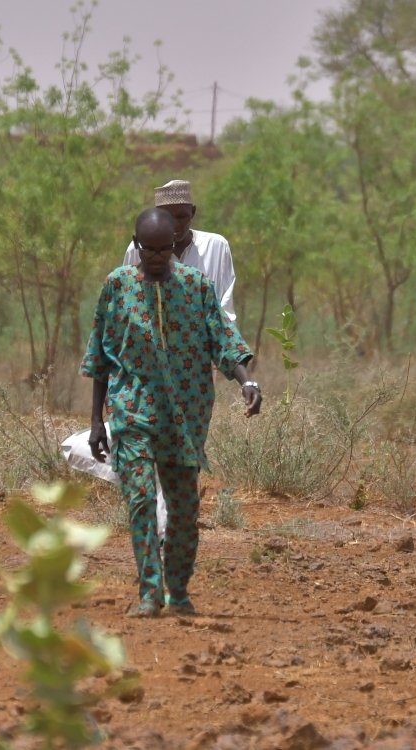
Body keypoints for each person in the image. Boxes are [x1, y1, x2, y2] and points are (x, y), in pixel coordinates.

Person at [80, 207, 262, 618]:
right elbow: (100, 355)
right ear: (137, 245)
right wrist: (96, 421)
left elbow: (223, 339)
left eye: (167, 250)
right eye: (151, 250)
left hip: (185, 415)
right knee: (142, 500)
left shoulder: (195, 287)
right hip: (132, 413)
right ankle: (149, 592)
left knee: (183, 510)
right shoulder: (117, 286)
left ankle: (177, 590)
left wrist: (247, 381)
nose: (160, 258)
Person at [61, 179, 238, 532]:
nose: (176, 226)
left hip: (195, 371)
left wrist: (228, 360)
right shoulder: (137, 251)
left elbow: (224, 311)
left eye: (183, 218)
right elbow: (125, 313)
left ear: (193, 214)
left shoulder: (216, 247)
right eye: (169, 218)